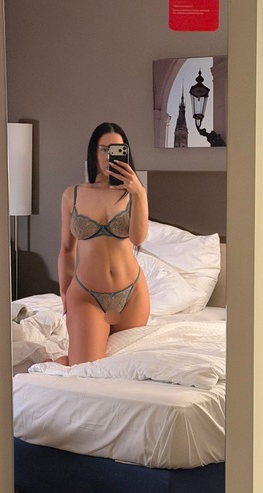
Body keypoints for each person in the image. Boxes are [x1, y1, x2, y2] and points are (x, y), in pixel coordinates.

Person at [57, 122, 150, 366]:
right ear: (93, 152)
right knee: (83, 367)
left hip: (132, 294)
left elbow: (138, 238)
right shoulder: (71, 195)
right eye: (104, 149)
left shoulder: (134, 194)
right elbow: (66, 249)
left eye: (117, 150)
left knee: (123, 371)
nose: (110, 156)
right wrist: (64, 292)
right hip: (87, 296)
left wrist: (139, 193)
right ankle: (48, 365)